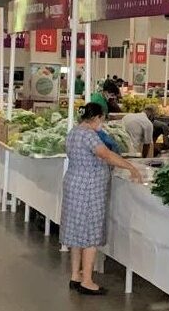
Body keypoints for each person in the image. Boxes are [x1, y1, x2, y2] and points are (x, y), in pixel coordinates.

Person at [62, 102, 144, 295]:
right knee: (91, 232)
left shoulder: (74, 132)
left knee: (76, 231)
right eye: (102, 119)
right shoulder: (90, 136)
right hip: (89, 189)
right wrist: (130, 167)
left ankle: (75, 276)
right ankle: (87, 280)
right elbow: (105, 154)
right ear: (97, 117)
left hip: (74, 183)